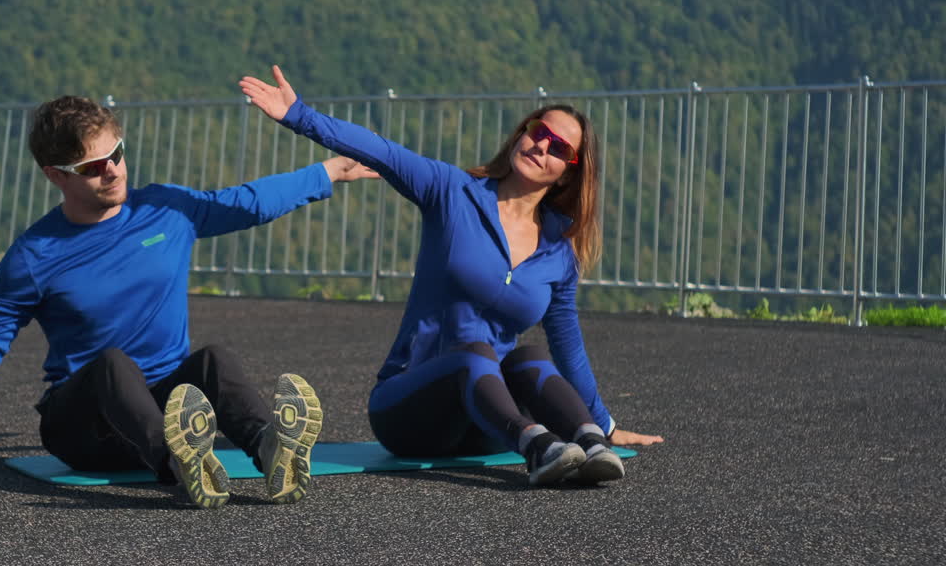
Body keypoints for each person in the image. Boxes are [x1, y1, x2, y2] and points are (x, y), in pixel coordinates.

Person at [0, 95, 377, 509]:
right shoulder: (34, 256)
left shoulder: (167, 210)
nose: (114, 170)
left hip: (167, 403)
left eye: (118, 154)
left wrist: (327, 171)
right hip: (86, 426)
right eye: (93, 166)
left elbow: (247, 202)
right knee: (111, 363)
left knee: (214, 359)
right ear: (55, 175)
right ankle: (182, 465)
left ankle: (269, 450)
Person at [240, 66, 663, 487]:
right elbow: (382, 152)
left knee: (530, 357)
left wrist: (602, 424)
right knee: (472, 353)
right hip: (410, 415)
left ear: (568, 172)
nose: (541, 147)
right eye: (538, 131)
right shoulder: (451, 192)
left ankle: (590, 444)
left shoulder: (559, 249)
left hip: (485, 424)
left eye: (559, 149)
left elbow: (567, 343)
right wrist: (299, 114)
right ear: (521, 132)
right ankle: (539, 450)